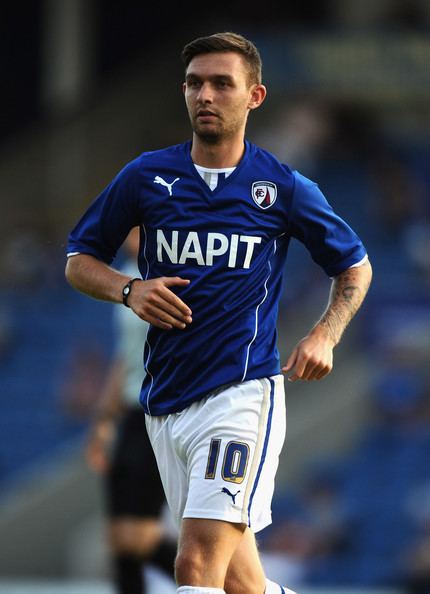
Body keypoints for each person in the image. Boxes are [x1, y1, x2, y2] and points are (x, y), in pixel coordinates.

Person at [65, 32, 372, 594]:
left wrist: (325, 335)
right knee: (240, 582)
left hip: (240, 394)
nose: (205, 95)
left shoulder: (282, 187)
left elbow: (354, 267)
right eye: (194, 83)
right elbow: (79, 260)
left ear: (254, 96)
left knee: (194, 567)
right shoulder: (145, 178)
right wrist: (129, 290)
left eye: (221, 84)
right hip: (165, 402)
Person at [86, 227, 177, 594]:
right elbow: (126, 355)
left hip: (156, 413)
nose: (130, 234)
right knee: (119, 539)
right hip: (128, 414)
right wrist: (103, 421)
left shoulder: (171, 274)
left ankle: (220, 578)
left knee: (138, 535)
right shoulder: (128, 276)